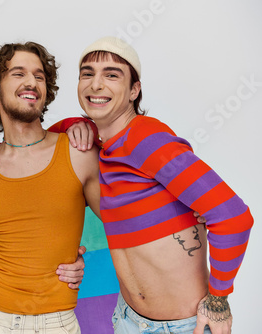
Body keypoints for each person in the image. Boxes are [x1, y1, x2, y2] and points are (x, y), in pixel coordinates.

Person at [73, 36, 254, 334]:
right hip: (127, 319)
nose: (95, 84)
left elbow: (233, 216)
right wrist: (74, 125)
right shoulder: (104, 147)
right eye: (87, 73)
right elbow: (39, 141)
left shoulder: (146, 139)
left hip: (183, 327)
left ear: (134, 90)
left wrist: (219, 298)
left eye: (111, 75)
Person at [0, 42, 101, 334]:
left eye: (39, 76)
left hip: (56, 322)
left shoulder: (79, 154)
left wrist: (196, 212)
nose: (32, 82)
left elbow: (125, 224)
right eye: (18, 73)